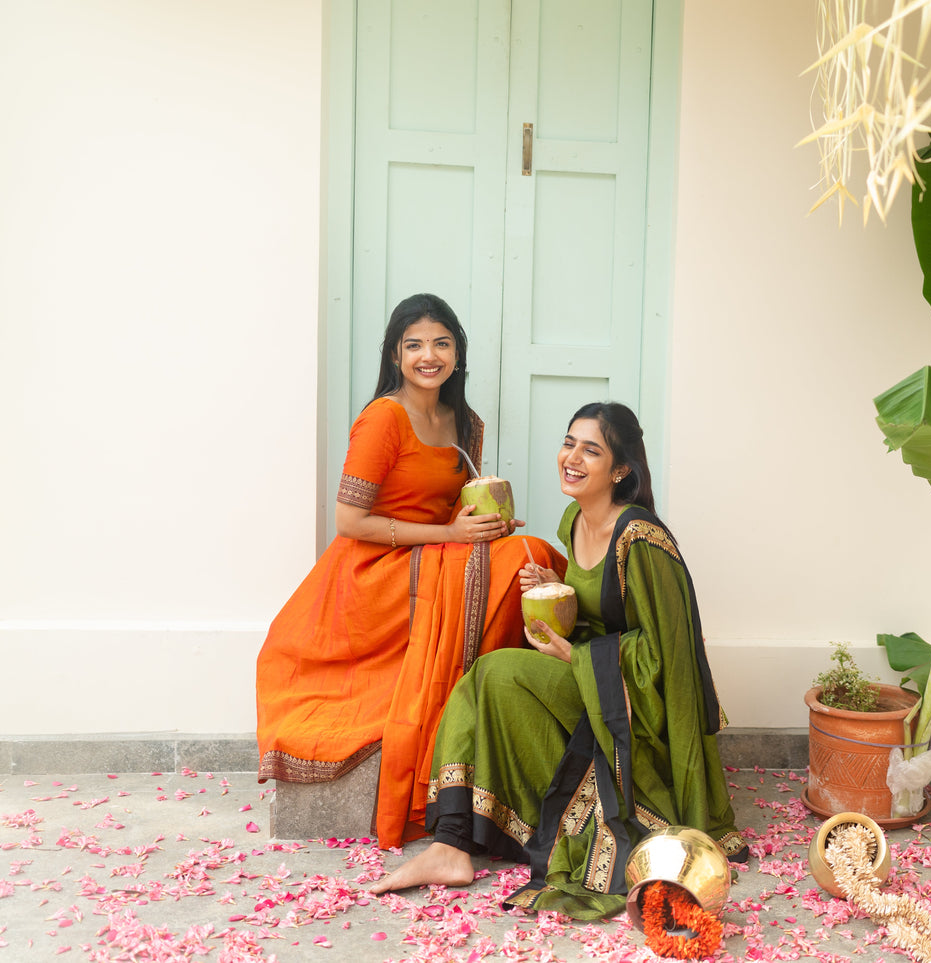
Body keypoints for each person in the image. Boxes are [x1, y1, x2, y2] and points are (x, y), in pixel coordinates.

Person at [368, 402, 747, 919]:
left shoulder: (642, 541)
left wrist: (574, 653)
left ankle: (451, 845)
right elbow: (602, 615)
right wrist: (556, 591)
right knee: (489, 678)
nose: (572, 457)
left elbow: (670, 658)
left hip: (641, 718)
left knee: (497, 673)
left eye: (591, 450)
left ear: (620, 470)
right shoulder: (574, 519)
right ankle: (451, 846)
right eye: (569, 443)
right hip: (597, 685)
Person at [255, 293, 564, 850]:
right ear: (395, 355)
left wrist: (483, 527)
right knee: (522, 558)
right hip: (377, 569)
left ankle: (504, 724)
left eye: (441, 343)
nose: (429, 356)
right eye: (415, 344)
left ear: (457, 354)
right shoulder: (383, 419)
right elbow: (350, 521)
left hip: (436, 559)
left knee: (531, 554)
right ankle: (462, 734)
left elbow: (453, 510)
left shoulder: (467, 424)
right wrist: (452, 536)